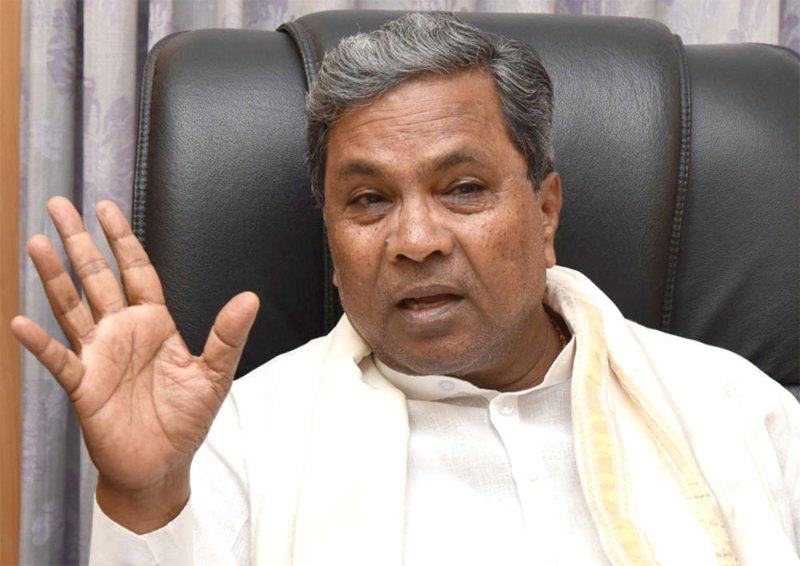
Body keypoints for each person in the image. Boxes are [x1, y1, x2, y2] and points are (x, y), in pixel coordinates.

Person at [11, 12, 800, 566]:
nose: (416, 240)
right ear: (332, 245)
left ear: (545, 212)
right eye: (368, 200)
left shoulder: (739, 410)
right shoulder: (238, 442)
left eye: (463, 189)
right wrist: (145, 498)